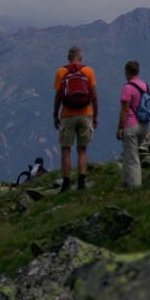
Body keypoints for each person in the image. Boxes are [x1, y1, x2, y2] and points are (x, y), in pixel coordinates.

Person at [53, 46, 99, 191]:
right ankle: (81, 182)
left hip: (67, 115)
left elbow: (59, 96)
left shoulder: (61, 72)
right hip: (86, 113)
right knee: (82, 149)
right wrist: (95, 116)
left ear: (68, 58)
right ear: (80, 58)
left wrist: (55, 114)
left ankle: (66, 183)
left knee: (66, 149)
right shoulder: (89, 71)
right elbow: (94, 96)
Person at [117, 60, 149, 188]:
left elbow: (125, 109)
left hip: (131, 125)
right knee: (129, 154)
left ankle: (135, 186)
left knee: (132, 157)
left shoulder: (127, 88)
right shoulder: (144, 85)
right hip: (144, 124)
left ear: (127, 72)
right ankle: (126, 181)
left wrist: (120, 127)